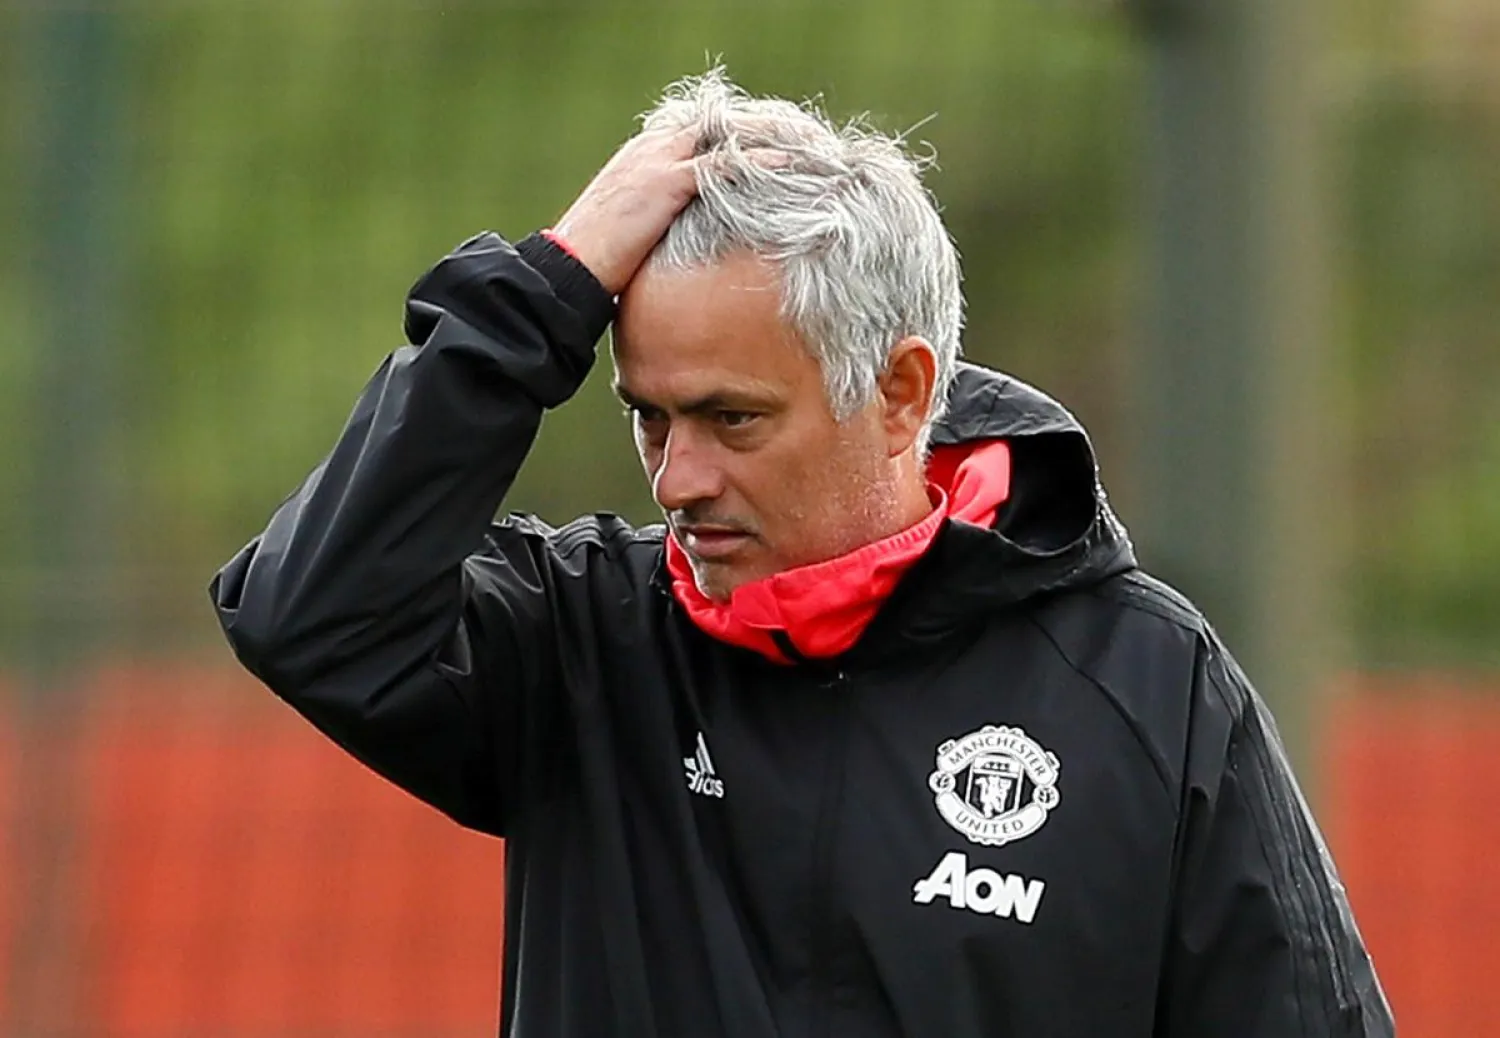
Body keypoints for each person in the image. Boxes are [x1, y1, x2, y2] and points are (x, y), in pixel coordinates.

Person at [210, 70, 1394, 1037]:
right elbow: (309, 614)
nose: (677, 481)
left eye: (732, 420)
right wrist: (545, 291)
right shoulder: (580, 640)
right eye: (647, 417)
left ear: (898, 393)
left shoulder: (1144, 685)